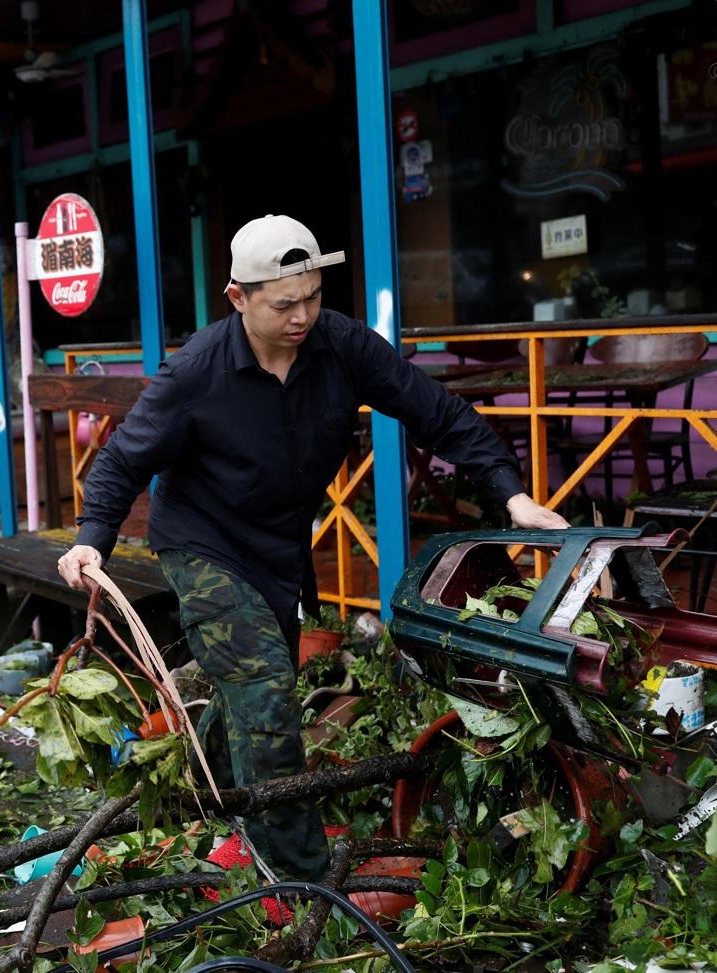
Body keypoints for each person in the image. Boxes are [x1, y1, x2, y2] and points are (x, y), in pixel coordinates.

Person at [56, 214, 567, 882]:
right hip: (202, 542)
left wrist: (509, 495)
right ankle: (298, 879)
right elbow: (120, 461)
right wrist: (89, 541)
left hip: (278, 546)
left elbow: (436, 412)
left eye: (312, 296)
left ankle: (212, 788)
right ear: (238, 299)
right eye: (283, 303)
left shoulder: (342, 345)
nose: (303, 315)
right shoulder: (196, 373)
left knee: (256, 688)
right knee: (266, 689)